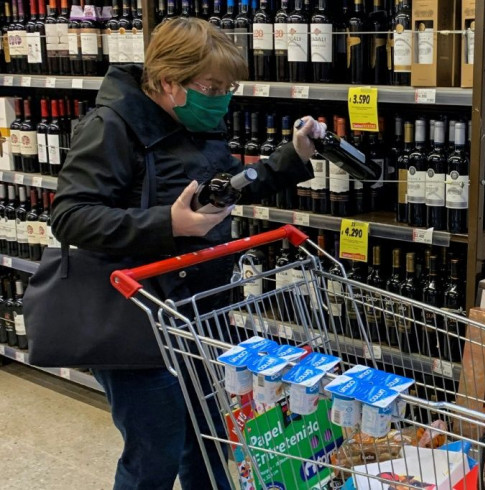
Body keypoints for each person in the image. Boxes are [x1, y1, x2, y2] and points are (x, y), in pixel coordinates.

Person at [49, 18, 324, 490]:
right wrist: (166, 223)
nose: (221, 97)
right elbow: (70, 216)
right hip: (136, 321)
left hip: (197, 314)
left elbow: (229, 186)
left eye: (228, 86)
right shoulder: (111, 127)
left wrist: (291, 156)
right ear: (168, 82)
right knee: (153, 453)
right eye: (211, 86)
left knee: (209, 441)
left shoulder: (195, 124)